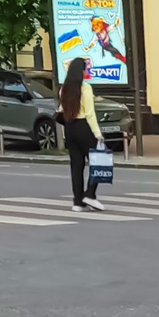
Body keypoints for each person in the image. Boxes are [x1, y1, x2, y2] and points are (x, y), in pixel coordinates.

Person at [59, 56, 104, 212]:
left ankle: (77, 201)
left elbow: (61, 110)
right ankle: (90, 194)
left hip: (70, 128)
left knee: (76, 166)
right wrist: (98, 135)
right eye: (86, 68)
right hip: (83, 127)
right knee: (99, 161)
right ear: (81, 71)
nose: (87, 71)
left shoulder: (64, 89)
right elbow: (90, 114)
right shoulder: (85, 88)